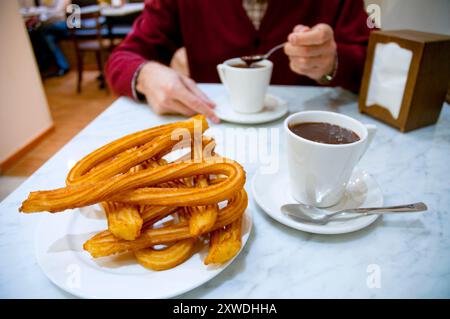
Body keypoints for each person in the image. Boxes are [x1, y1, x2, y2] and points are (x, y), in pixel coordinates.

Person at [105, 0, 373, 123]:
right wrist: (146, 74)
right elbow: (122, 58)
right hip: (213, 137)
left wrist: (332, 62)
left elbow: (375, 63)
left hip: (310, 139)